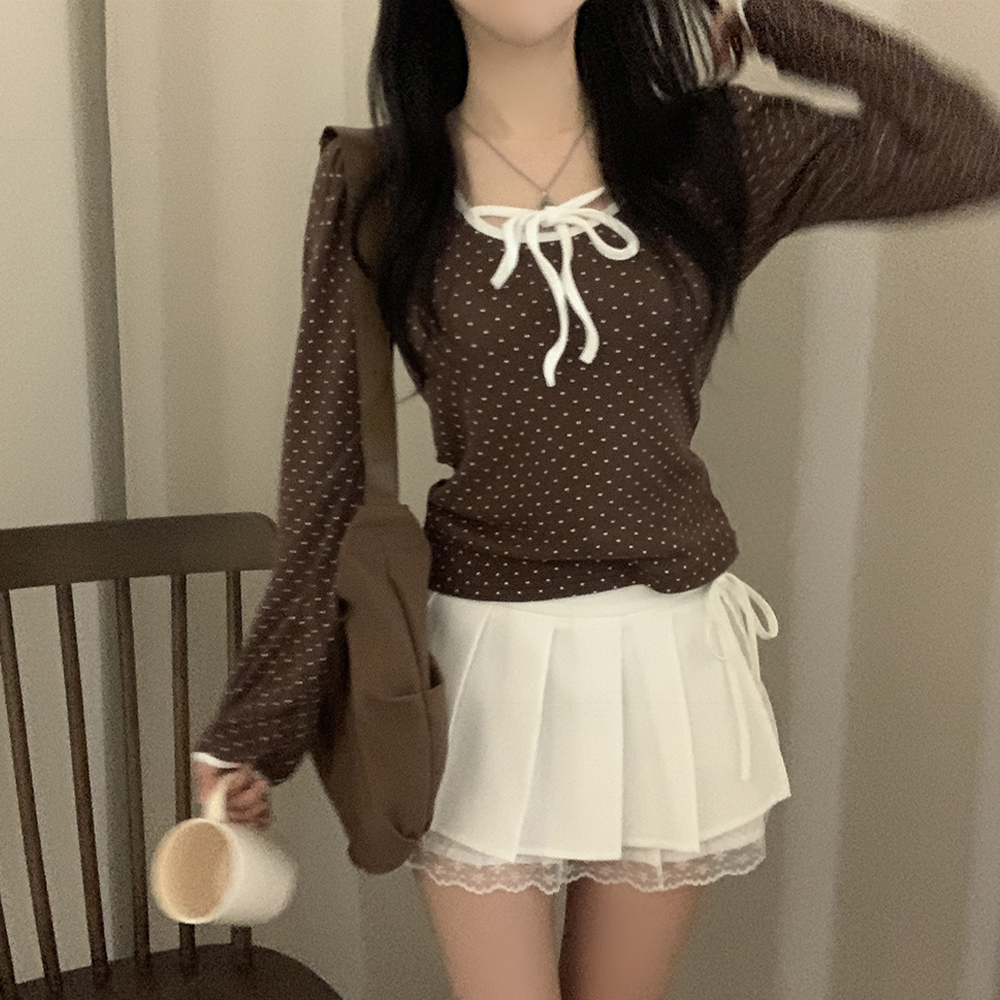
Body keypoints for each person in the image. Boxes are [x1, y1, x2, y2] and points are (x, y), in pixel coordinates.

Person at [191, 0, 1000, 996]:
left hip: (667, 659)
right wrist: (251, 729)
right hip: (484, 669)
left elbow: (967, 148)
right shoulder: (383, 184)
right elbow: (326, 475)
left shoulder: (710, 153)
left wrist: (766, 14)